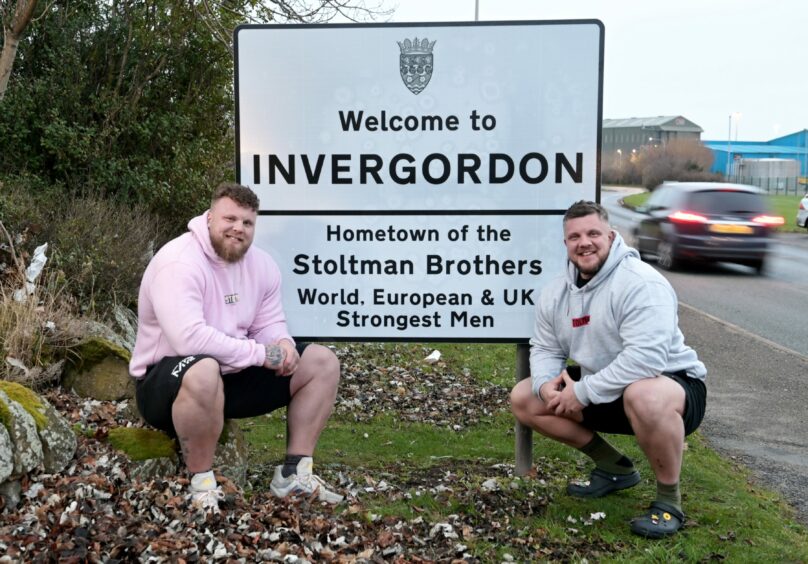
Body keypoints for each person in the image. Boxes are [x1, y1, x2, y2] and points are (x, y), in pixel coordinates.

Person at [129, 183, 343, 514]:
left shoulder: (262, 266)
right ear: (210, 217)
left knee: (321, 362)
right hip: (165, 384)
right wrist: (261, 354)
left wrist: (282, 344)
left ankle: (293, 476)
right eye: (230, 218)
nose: (238, 229)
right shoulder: (179, 262)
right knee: (203, 368)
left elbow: (268, 323)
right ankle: (202, 485)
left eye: (247, 223)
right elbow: (191, 340)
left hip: (230, 379)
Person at [510, 200, 706, 538]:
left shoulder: (641, 283)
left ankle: (668, 501)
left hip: (670, 385)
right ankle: (614, 468)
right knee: (524, 398)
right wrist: (546, 388)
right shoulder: (556, 292)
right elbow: (545, 347)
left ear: (612, 236)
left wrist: (582, 393)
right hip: (602, 383)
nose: (584, 242)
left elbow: (646, 359)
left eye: (592, 233)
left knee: (644, 394)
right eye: (574, 236)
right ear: (566, 244)